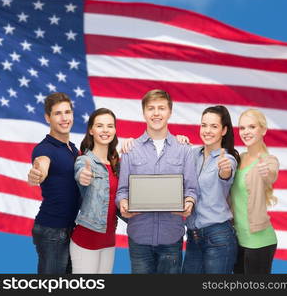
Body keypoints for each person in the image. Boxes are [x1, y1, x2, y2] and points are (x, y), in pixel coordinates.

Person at [116, 89, 198, 274]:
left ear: (170, 112)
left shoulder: (184, 150)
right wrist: (123, 203)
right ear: (144, 112)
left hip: (172, 236)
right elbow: (122, 190)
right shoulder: (130, 149)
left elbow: (191, 189)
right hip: (139, 236)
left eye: (161, 108)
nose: (156, 113)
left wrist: (189, 201)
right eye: (151, 108)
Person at [27, 92, 80, 274]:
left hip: (71, 229)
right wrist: (37, 174)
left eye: (67, 112)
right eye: (58, 113)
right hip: (52, 231)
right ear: (48, 117)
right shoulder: (44, 149)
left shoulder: (73, 149)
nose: (64, 118)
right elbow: (41, 164)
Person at [182, 105, 239, 274]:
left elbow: (226, 174)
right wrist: (178, 141)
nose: (207, 130)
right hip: (193, 237)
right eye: (204, 125)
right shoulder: (192, 154)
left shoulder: (228, 160)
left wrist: (225, 170)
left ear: (224, 130)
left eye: (214, 126)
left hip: (219, 237)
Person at [69, 108, 119, 274]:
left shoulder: (116, 164)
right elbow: (81, 172)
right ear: (91, 130)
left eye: (110, 126)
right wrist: (83, 176)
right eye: (99, 125)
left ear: (115, 130)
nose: (105, 130)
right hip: (86, 241)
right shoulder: (84, 161)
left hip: (109, 241)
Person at [231, 108, 279, 274]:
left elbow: (271, 175)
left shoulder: (269, 160)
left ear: (263, 130)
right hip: (237, 239)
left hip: (260, 242)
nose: (246, 132)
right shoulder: (239, 158)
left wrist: (267, 173)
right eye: (242, 128)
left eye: (252, 127)